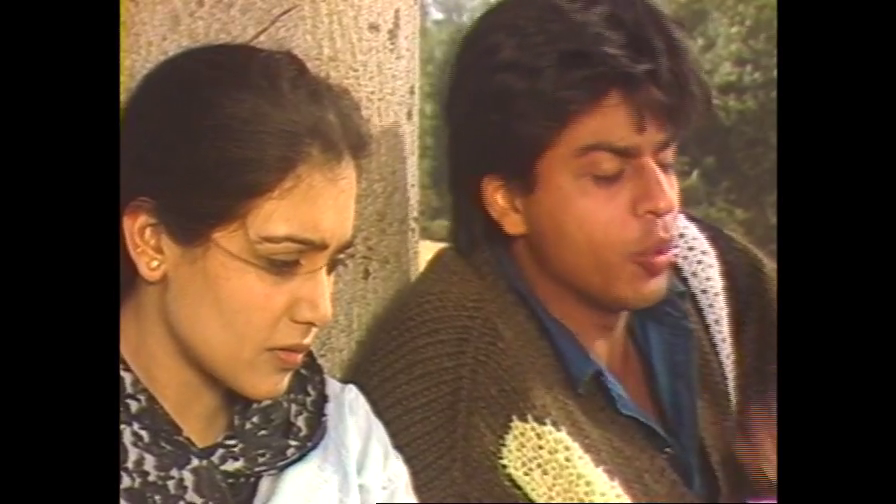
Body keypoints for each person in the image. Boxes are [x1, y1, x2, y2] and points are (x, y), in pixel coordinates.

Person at [346, 0, 776, 502]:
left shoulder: (705, 275)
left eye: (667, 162)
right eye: (607, 175)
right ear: (508, 201)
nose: (661, 201)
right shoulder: (453, 415)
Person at [119, 43, 418, 504]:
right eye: (282, 261)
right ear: (152, 241)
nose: (320, 310)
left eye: (333, 265)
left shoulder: (348, 443)